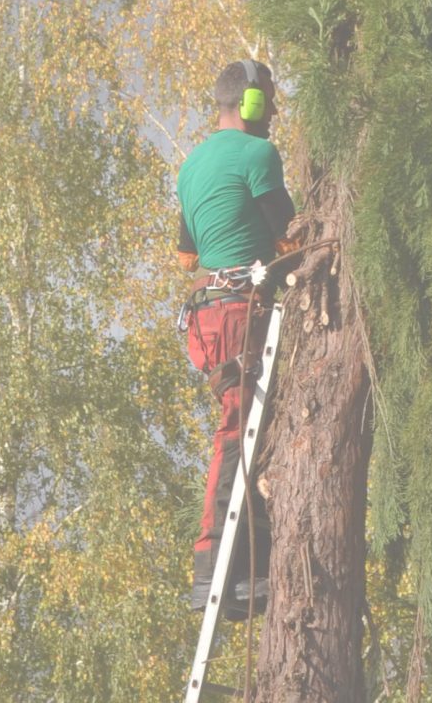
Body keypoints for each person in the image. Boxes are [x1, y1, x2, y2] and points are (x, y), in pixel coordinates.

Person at [175, 59, 295, 617]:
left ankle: (247, 569)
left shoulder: (192, 164)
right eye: (267, 100)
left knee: (250, 430)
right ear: (249, 103)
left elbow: (186, 253)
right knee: (235, 434)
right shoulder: (259, 154)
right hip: (235, 314)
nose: (272, 111)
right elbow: (285, 225)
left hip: (206, 317)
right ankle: (213, 563)